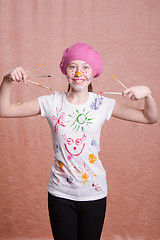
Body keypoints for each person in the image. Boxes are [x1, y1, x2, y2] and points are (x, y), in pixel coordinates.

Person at [0, 43, 158, 240]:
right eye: (73, 66)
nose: (78, 73)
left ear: (93, 73)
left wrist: (148, 94)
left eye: (85, 67)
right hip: (59, 194)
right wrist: (7, 79)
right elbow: (3, 110)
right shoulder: (51, 103)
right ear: (65, 71)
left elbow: (149, 118)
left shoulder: (102, 104)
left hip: (94, 193)